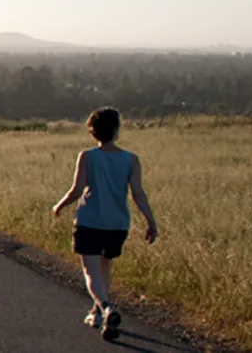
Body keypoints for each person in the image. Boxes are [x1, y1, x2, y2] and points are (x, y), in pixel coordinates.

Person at [51, 107, 160, 341]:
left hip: (90, 220)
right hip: (118, 223)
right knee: (105, 266)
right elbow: (138, 194)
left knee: (90, 271)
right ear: (116, 130)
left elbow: (77, 190)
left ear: (93, 132)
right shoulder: (131, 160)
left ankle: (106, 308)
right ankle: (97, 312)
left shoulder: (87, 157)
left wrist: (59, 206)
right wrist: (151, 221)